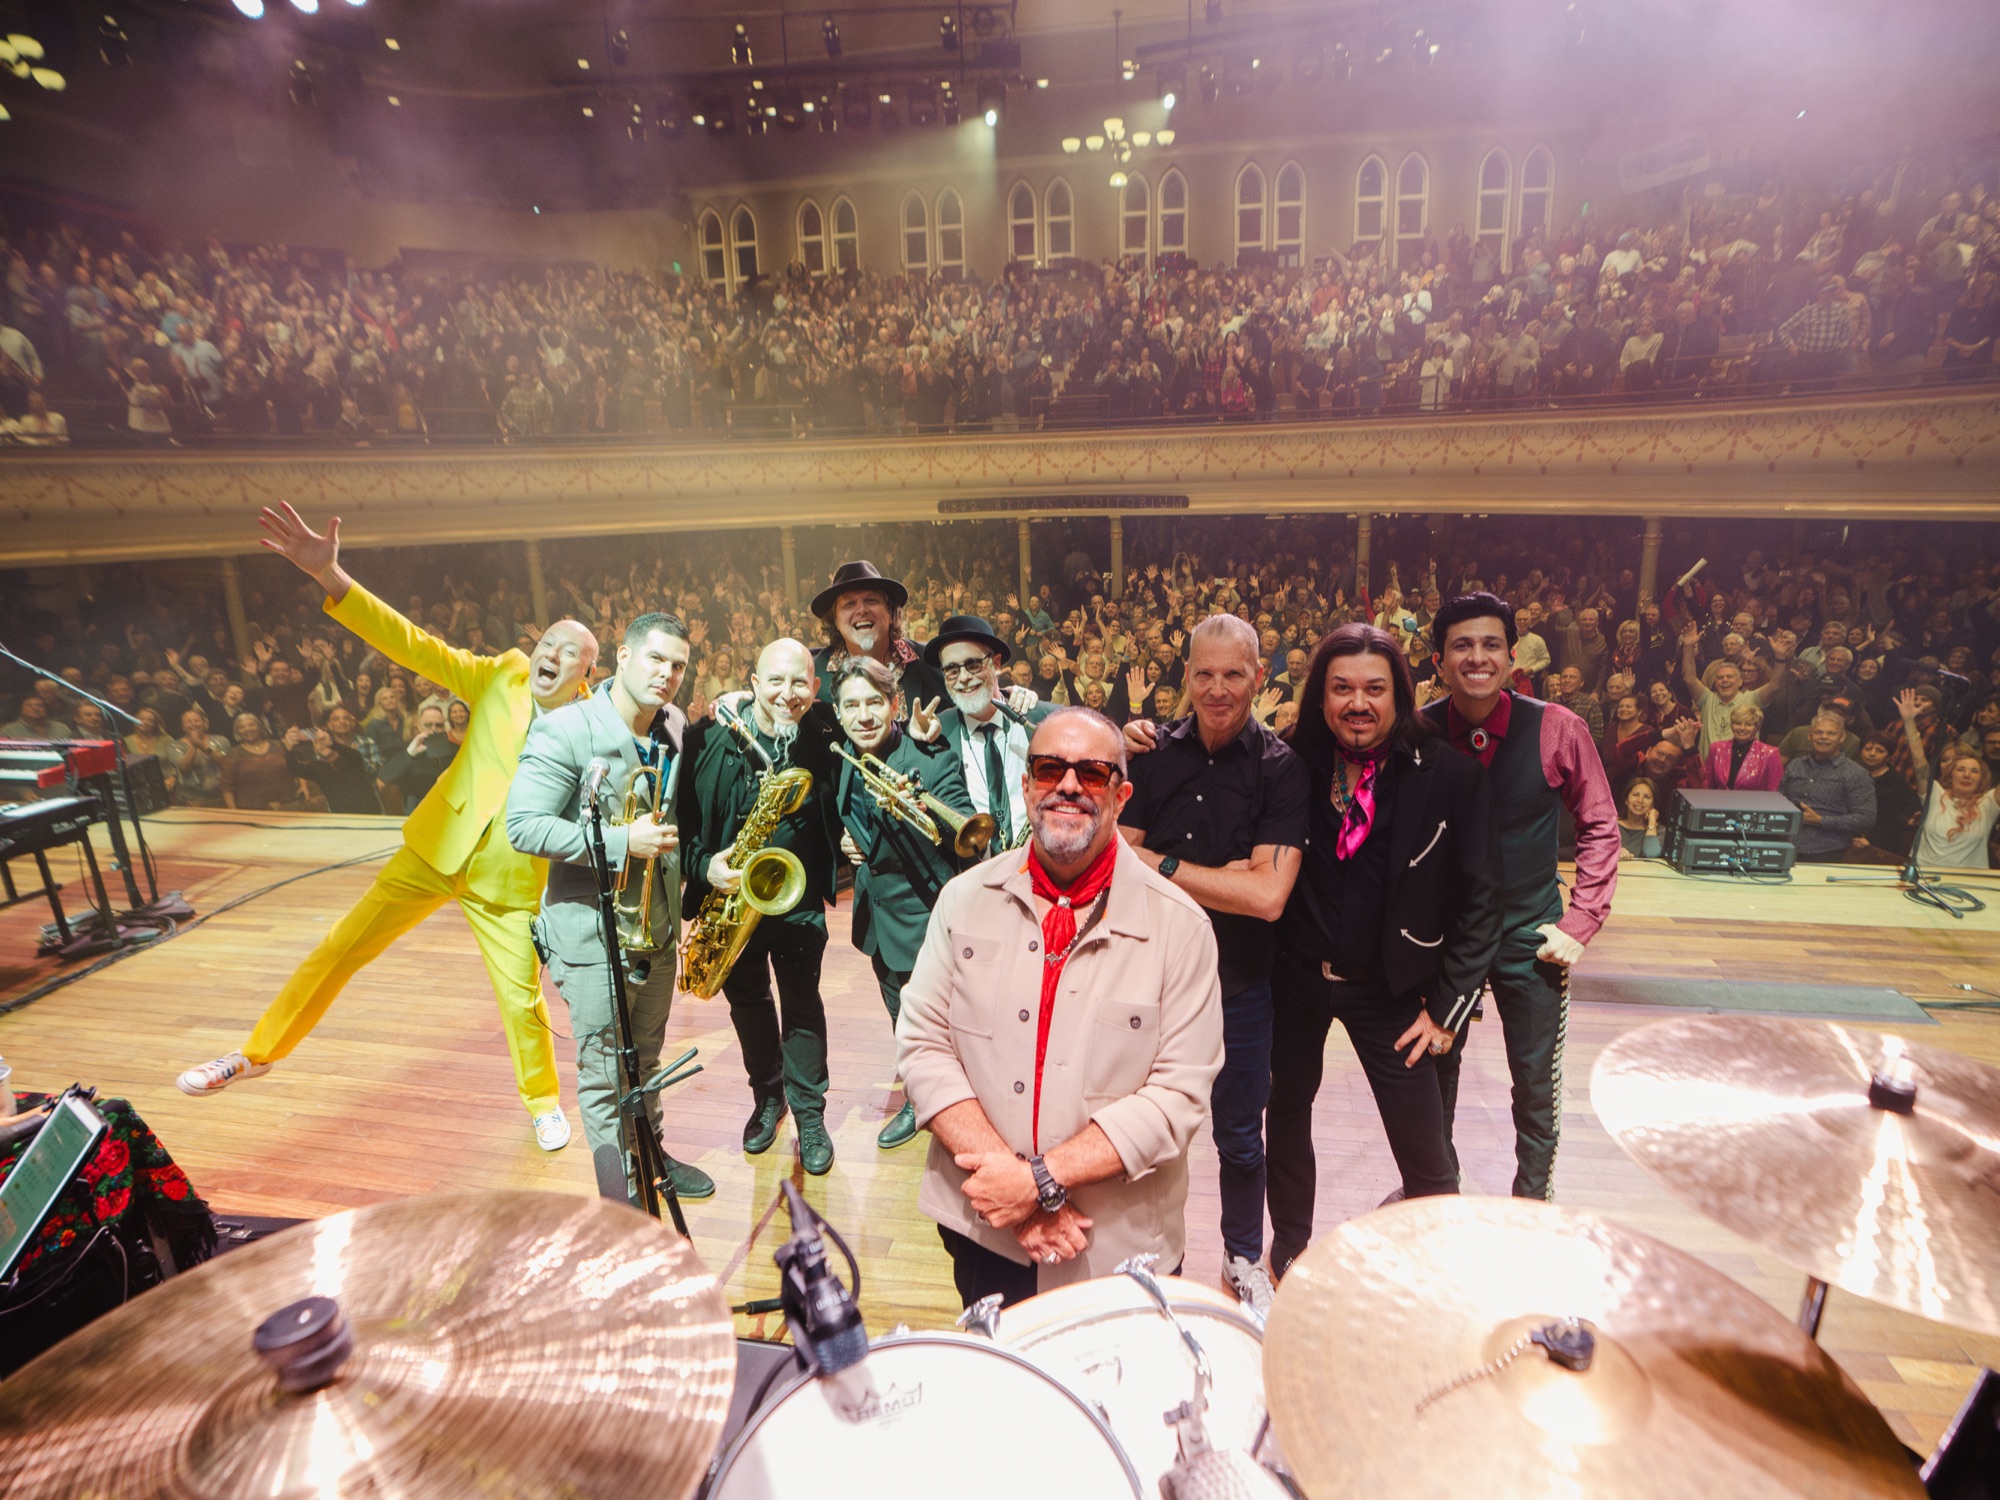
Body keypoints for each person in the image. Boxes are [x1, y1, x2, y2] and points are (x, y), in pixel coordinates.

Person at [176, 503, 592, 1158]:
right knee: (341, 946)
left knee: (522, 1002)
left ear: (584, 673)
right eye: (547, 645)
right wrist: (332, 576)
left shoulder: (592, 723)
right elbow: (412, 643)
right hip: (434, 849)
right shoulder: (500, 675)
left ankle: (542, 1103)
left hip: (508, 877)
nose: (551, 657)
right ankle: (254, 1054)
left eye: (569, 654)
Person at [896, 707, 1223, 1307]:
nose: (1068, 785)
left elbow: (1177, 1094)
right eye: (1049, 770)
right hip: (985, 1223)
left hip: (1114, 1248)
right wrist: (1014, 1189)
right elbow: (923, 1044)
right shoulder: (963, 900)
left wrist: (1040, 1181)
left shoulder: (1182, 926)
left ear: (1121, 796)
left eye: (1092, 774)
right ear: (1026, 787)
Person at [1267, 626, 1501, 1277]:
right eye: (1341, 688)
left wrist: (1448, 1009)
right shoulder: (1288, 764)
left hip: (1393, 991)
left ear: (1401, 695)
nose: (1357, 703)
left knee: (1429, 1159)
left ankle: (1433, 1276)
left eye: (1375, 688)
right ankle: (1289, 1250)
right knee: (1286, 1114)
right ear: (1321, 698)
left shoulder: (1451, 777)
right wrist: (1140, 736)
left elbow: (1484, 902)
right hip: (1296, 980)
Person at [1116, 614, 1308, 1316]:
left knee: (1238, 1136)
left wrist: (1160, 863)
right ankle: (1142, 1257)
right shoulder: (1151, 756)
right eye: (1205, 673)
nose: (1219, 688)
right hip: (1144, 982)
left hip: (1240, 986)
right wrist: (1218, 874)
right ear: (1187, 676)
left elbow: (1265, 898)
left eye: (1234, 674)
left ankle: (1242, 1257)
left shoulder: (1282, 769)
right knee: (1139, 1127)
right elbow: (1113, 866)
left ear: (1259, 676)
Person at [505, 613, 715, 1202]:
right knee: (603, 1079)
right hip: (591, 935)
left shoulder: (671, 721)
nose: (668, 675)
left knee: (646, 1061)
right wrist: (623, 844)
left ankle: (653, 1157)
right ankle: (620, 1211)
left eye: (678, 665)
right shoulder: (564, 729)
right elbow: (522, 826)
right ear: (621, 658)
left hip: (653, 927)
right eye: (655, 659)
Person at [1423, 594, 1619, 1204]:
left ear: (1512, 657)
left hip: (1529, 931)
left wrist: (1581, 919)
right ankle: (1439, 1199)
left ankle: (1532, 1206)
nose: (1477, 657)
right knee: (1435, 1075)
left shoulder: (1558, 726)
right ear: (1439, 660)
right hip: (1446, 934)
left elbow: (1600, 824)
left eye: (1490, 645)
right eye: (1462, 645)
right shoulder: (1420, 730)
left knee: (1535, 1082)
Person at [684, 639, 843, 1175]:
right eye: (775, 681)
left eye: (799, 682)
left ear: (815, 689)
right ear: (752, 684)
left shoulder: (825, 734)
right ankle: (767, 1097)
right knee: (748, 1005)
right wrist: (704, 866)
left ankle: (810, 1115)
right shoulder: (705, 738)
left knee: (802, 1007)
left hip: (794, 901)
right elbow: (681, 826)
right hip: (731, 901)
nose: (787, 693)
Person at [831, 657, 978, 1150]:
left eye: (874, 702)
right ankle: (919, 1095)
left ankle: (942, 1107)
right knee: (900, 1016)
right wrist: (855, 849)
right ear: (838, 712)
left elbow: (967, 836)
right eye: (852, 705)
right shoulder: (845, 760)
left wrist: (921, 813)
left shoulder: (930, 758)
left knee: (940, 1024)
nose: (864, 715)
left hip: (923, 917)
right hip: (877, 918)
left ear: (894, 704)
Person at [922, 614, 1052, 854]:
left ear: (997, 663)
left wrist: (1129, 735)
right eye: (951, 669)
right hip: (971, 878)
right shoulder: (934, 733)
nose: (963, 678)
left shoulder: (1042, 718)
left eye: (973, 664)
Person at [809, 560, 946, 720]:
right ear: (835, 621)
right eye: (849, 604)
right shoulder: (814, 676)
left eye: (871, 600)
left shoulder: (931, 662)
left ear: (891, 614)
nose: (861, 610)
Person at [1779, 712, 1877, 864]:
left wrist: (1820, 820)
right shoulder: (1795, 765)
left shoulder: (1856, 773)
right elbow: (1778, 800)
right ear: (1810, 736)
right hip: (1785, 845)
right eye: (1818, 732)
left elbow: (1866, 819)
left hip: (1828, 851)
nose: (1823, 737)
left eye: (1831, 733)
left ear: (1842, 738)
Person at [1910, 752, 2000, 869]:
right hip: (1925, 873)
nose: (1967, 775)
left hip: (1969, 878)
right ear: (1950, 775)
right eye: (1960, 769)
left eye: (1974, 771)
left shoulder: (1988, 804)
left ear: (1981, 779)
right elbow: (1918, 760)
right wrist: (1911, 733)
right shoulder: (1935, 794)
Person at [1851, 733, 1921, 863]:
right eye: (1867, 749)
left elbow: (1895, 821)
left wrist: (1871, 840)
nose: (1872, 754)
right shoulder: (1850, 773)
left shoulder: (1896, 784)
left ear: (1889, 756)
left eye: (1880, 751)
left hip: (1880, 845)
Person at [1705, 703, 1784, 791]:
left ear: (1756, 727)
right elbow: (1706, 786)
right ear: (1732, 725)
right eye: (1738, 723)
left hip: (1755, 804)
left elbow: (1775, 793)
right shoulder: (1716, 749)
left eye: (1748, 724)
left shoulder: (1770, 754)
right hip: (1719, 803)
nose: (1742, 728)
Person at [1617, 778, 1663, 859]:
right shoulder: (1611, 826)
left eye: (1647, 797)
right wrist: (1614, 852)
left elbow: (1651, 854)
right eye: (1635, 795)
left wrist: (1652, 822)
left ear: (1653, 804)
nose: (1640, 800)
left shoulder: (1659, 830)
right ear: (1626, 800)